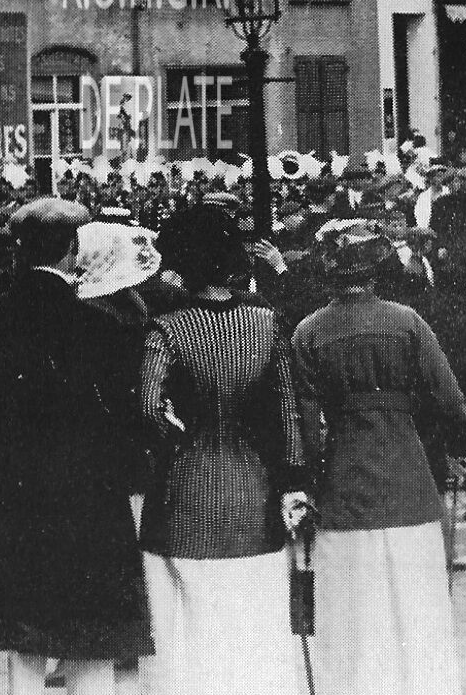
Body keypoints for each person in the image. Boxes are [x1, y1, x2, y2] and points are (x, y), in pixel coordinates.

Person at [0, 197, 152, 695]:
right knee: (90, 634)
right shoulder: (99, 322)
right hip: (86, 496)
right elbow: (125, 419)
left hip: (8, 494)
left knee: (24, 634)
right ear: (72, 249)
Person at [291, 228, 466, 695]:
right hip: (408, 474)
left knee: (351, 611)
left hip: (345, 482)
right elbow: (449, 398)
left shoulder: (309, 332)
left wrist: (310, 480)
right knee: (417, 605)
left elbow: (306, 425)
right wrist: (458, 448)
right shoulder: (408, 322)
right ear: (376, 270)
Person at [137, 205, 309, 695]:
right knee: (255, 617)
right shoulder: (267, 323)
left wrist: (176, 439)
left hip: (185, 491)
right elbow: (288, 411)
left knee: (187, 626)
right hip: (253, 489)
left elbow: (148, 406)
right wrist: (293, 479)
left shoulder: (166, 329)